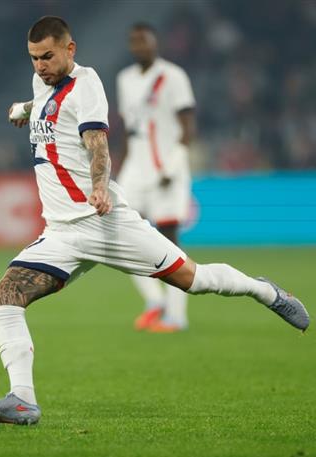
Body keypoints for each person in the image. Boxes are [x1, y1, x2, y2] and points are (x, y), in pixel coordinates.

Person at [0, 15, 309, 425]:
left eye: (48, 57)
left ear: (70, 49)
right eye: (34, 58)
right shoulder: (43, 83)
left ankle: (264, 291)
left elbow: (97, 145)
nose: (40, 66)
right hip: (61, 233)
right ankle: (22, 400)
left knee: (195, 280)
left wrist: (100, 187)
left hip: (105, 223)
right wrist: (22, 109)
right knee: (5, 298)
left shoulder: (87, 85)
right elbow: (45, 105)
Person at [116, 22, 196, 333]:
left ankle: (176, 316)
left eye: (143, 41)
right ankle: (155, 300)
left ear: (155, 43)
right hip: (136, 170)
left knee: (169, 243)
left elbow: (188, 127)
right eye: (133, 41)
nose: (138, 46)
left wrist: (173, 166)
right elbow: (129, 128)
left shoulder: (173, 76)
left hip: (166, 170)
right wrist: (121, 167)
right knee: (120, 235)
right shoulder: (125, 79)